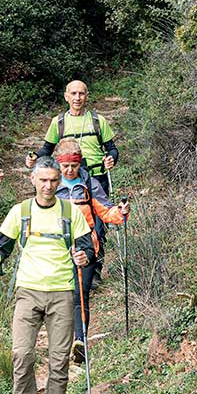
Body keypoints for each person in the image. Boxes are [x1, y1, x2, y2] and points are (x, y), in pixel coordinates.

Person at [0, 157, 94, 394]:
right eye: (43, 180)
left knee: (59, 362)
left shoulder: (71, 212)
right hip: (28, 292)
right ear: (33, 180)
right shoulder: (20, 212)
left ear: (59, 182)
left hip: (61, 292)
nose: (48, 186)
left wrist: (83, 257)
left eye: (53, 181)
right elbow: (2, 247)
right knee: (22, 355)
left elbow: (86, 249)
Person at [52, 141, 129, 361]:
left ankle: (80, 342)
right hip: (57, 250)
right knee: (60, 297)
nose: (69, 170)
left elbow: (105, 211)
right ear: (59, 164)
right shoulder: (50, 184)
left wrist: (120, 213)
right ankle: (60, 341)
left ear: (79, 163)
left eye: (73, 166)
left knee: (80, 295)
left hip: (87, 246)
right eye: (65, 165)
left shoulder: (89, 183)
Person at [26, 80, 119, 196]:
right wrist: (36, 156)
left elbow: (113, 149)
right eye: (73, 93)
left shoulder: (98, 120)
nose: (77, 98)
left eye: (81, 93)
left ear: (87, 96)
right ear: (66, 96)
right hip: (68, 180)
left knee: (100, 213)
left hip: (97, 178)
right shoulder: (59, 122)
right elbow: (47, 149)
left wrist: (111, 158)